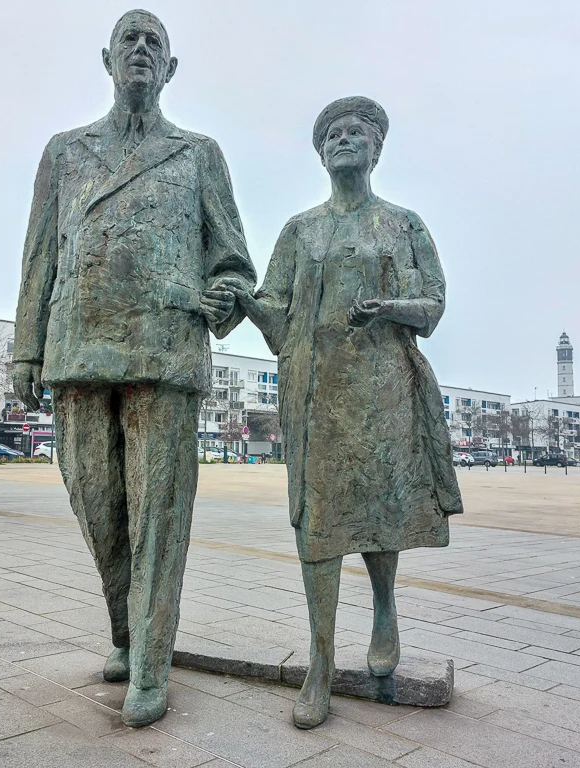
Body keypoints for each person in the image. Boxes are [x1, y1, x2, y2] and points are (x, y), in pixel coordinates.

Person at [11, 10, 255, 727]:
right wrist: (27, 346)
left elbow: (232, 259)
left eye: (155, 43)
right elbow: (39, 255)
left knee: (157, 515)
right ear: (108, 60)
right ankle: (126, 628)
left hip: (164, 348)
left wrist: (226, 293)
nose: (142, 50)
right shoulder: (65, 152)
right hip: (78, 347)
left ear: (170, 68)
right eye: (130, 39)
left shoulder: (198, 153)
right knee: (99, 508)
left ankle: (150, 662)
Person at [219, 96, 462, 729]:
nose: (343, 140)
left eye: (356, 132)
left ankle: (384, 608)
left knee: (380, 510)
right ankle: (320, 662)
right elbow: (278, 316)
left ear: (377, 149)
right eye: (332, 135)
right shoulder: (301, 231)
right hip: (316, 395)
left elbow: (434, 306)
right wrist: (246, 300)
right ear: (321, 154)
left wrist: (391, 307)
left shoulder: (403, 224)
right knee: (318, 525)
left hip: (386, 393)